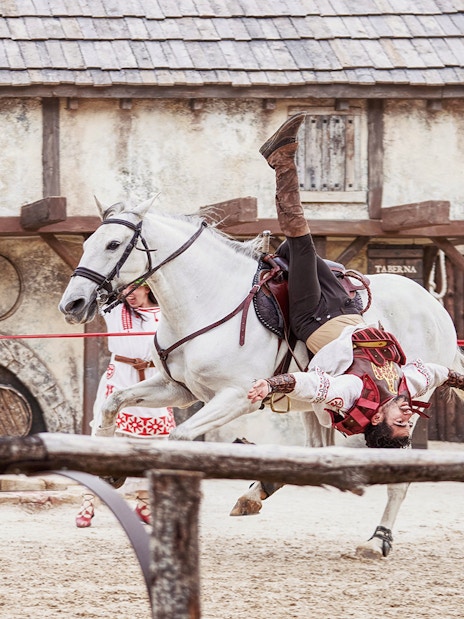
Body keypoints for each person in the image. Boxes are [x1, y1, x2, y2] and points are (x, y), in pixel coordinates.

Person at [249, 113, 464, 447]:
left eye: (400, 425)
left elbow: (312, 386)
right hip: (350, 309)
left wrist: (270, 385)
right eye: (410, 425)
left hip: (314, 319)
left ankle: (281, 161)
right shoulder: (407, 384)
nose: (408, 418)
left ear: (377, 418)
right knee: (294, 252)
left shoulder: (352, 391)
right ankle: (280, 180)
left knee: (300, 243)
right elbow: (440, 373)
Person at [75, 283, 176, 527]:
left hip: (152, 380)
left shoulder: (165, 314)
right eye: (126, 291)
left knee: (151, 445)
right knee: (103, 442)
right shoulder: (113, 308)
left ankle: (144, 504)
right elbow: (99, 286)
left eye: (135, 290)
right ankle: (88, 504)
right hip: (119, 377)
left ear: (147, 289)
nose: (130, 295)